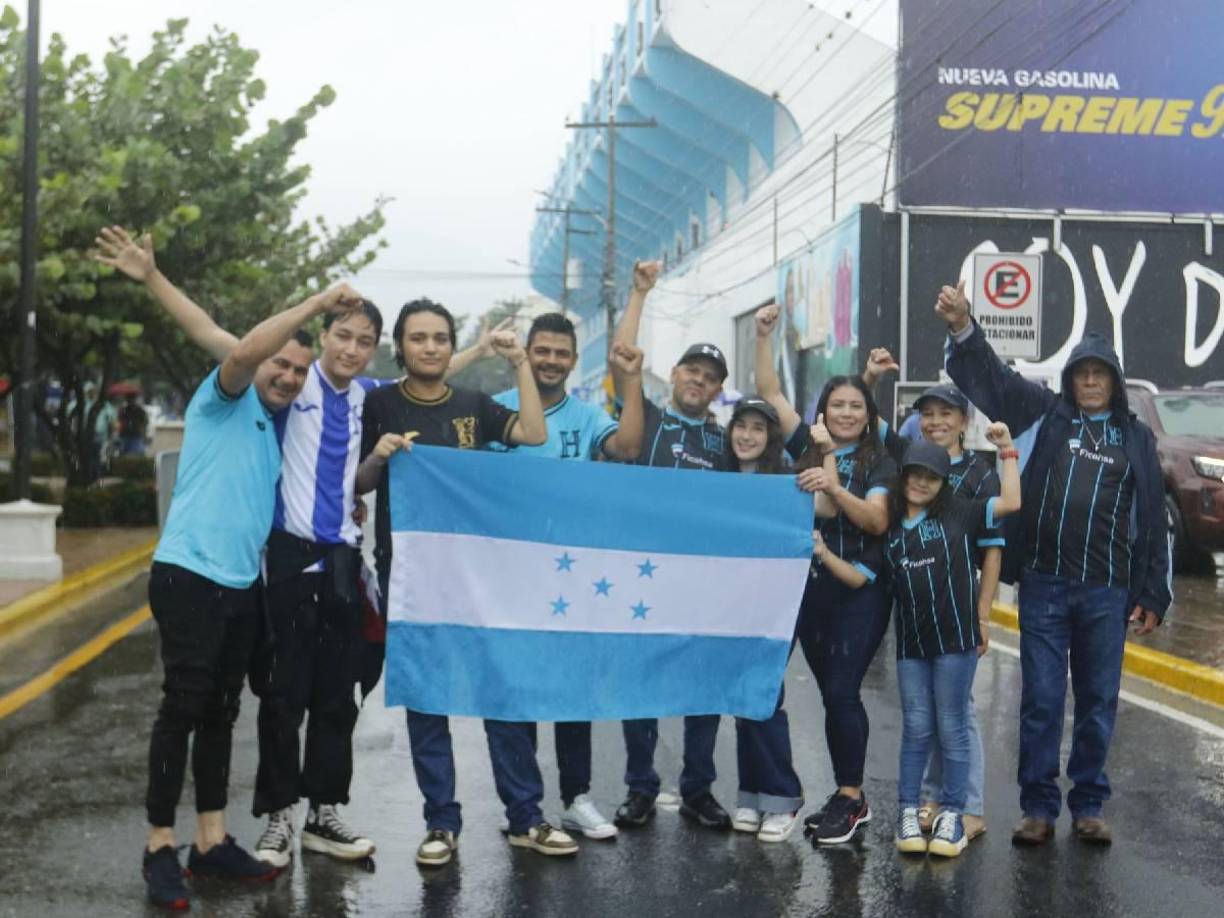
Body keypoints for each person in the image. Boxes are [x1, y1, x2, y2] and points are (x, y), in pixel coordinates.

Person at [95, 226, 384, 868]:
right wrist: (152, 277)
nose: (284, 374)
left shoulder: (274, 424)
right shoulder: (224, 398)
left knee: (224, 712)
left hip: (242, 584)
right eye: (276, 363)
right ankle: (159, 845)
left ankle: (212, 840)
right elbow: (219, 335)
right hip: (188, 575)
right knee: (184, 708)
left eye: (294, 369)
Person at [935, 279, 1171, 846]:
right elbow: (992, 379)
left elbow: (1154, 521)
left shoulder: (1136, 439)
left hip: (1106, 591)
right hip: (1043, 585)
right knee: (1040, 700)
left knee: (1096, 703)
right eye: (1081, 373)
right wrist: (963, 325)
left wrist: (1154, 594)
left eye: (1100, 374)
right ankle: (1038, 807)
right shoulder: (1046, 415)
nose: (1090, 382)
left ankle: (1088, 804)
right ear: (1070, 380)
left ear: (1113, 382)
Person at [357, 298, 572, 866]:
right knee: (428, 701)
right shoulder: (378, 405)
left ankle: (526, 817)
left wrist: (519, 363)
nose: (430, 347)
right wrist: (379, 458)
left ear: (451, 347)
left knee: (502, 692)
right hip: (413, 576)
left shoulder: (476, 404)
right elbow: (355, 483)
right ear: (400, 346)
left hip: (483, 578)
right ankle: (441, 824)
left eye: (440, 338)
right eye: (418, 338)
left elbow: (532, 432)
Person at [450, 310, 646, 840]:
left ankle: (576, 797)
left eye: (562, 353)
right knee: (510, 691)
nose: (552, 361)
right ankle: (523, 808)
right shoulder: (493, 412)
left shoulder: (585, 417)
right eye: (543, 351)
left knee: (570, 690)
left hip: (569, 578)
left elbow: (627, 449)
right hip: (505, 579)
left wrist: (631, 380)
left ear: (572, 360)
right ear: (526, 352)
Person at [754, 302, 896, 845]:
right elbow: (770, 393)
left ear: (867, 413)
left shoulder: (881, 460)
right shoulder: (806, 444)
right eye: (836, 404)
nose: (844, 413)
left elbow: (877, 519)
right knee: (800, 690)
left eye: (855, 405)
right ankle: (812, 795)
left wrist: (835, 487)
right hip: (806, 591)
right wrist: (764, 338)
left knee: (841, 691)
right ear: (824, 410)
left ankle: (851, 797)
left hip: (859, 590)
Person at [607, 260, 734, 832]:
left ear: (717, 389)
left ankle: (698, 789)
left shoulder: (729, 440)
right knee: (641, 686)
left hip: (703, 581)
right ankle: (640, 787)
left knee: (704, 685)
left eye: (709, 377)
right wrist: (639, 293)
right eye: (692, 370)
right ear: (676, 373)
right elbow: (623, 360)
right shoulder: (648, 419)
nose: (698, 381)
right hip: (644, 576)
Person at [863, 351, 1001, 844]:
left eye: (947, 413)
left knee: (956, 715)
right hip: (917, 625)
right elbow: (866, 422)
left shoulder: (981, 475)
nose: (937, 421)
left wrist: (983, 614)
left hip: (960, 621)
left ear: (965, 421)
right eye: (929, 413)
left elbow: (992, 553)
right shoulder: (911, 458)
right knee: (924, 720)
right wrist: (872, 379)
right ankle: (929, 801)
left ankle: (968, 807)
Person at [884, 431, 1020, 858]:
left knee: (953, 727)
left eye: (932, 477)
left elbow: (1011, 503)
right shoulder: (887, 521)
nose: (922, 483)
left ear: (944, 482)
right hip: (910, 645)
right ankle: (908, 811)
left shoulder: (962, 513)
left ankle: (953, 816)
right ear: (903, 476)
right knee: (917, 729)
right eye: (915, 475)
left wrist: (1008, 452)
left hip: (955, 643)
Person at [724, 395, 806, 844]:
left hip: (775, 605)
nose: (747, 436)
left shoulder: (787, 481)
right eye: (741, 426)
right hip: (730, 606)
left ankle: (783, 795)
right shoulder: (719, 482)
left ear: (770, 437)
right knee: (742, 700)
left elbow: (826, 510)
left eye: (758, 428)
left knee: (763, 695)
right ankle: (751, 793)